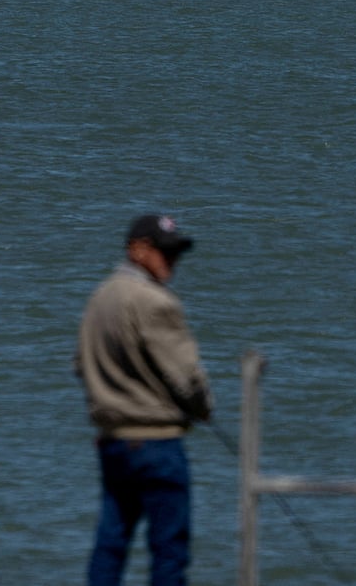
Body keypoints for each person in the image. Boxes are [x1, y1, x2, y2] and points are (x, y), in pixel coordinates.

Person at [75, 214, 213, 586]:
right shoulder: (155, 301)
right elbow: (186, 377)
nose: (172, 261)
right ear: (137, 250)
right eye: (164, 252)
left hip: (112, 441)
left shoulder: (100, 297)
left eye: (176, 253)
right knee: (169, 549)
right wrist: (203, 409)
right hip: (157, 443)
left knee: (110, 542)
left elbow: (80, 365)